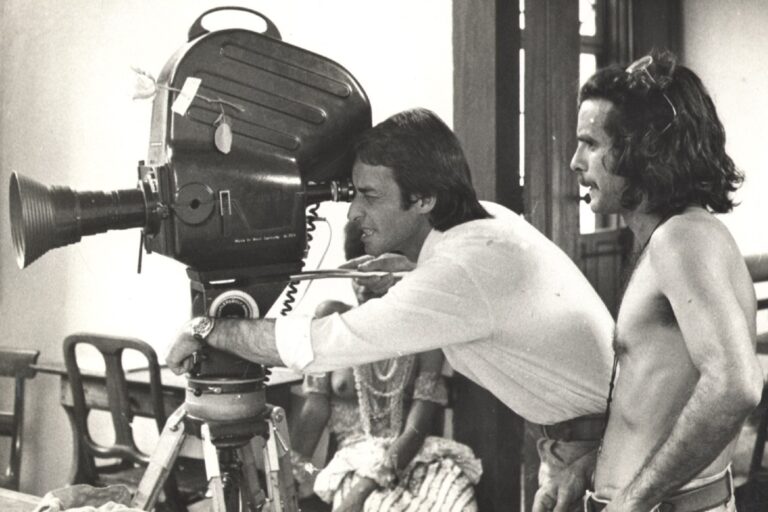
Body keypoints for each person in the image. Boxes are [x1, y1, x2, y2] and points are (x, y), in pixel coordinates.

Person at [167, 107, 616, 510]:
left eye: (370, 195)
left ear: (424, 199)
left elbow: (320, 344)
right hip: (580, 438)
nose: (353, 213)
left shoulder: (458, 271)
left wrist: (208, 328)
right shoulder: (483, 222)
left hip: (605, 444)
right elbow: (471, 286)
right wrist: (410, 269)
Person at [570, 50, 764, 511]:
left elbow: (736, 385)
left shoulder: (681, 239)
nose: (576, 162)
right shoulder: (677, 236)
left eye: (591, 144)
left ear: (643, 151)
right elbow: (655, 408)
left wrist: (633, 501)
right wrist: (587, 470)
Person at [289, 222, 482, 511]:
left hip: (414, 457)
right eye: (357, 273)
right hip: (350, 461)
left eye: (376, 274)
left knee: (458, 500)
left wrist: (365, 488)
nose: (364, 283)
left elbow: (418, 426)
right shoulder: (333, 317)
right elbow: (314, 411)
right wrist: (293, 475)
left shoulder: (426, 330)